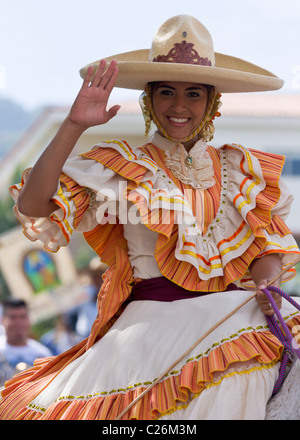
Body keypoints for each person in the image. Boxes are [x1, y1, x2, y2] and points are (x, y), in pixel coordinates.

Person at [0, 14, 300, 420]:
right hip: (152, 327)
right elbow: (35, 207)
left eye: (194, 94)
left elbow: (264, 245)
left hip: (231, 311)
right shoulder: (122, 165)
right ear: (148, 99)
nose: (179, 106)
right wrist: (73, 125)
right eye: (166, 93)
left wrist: (267, 287)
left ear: (212, 101)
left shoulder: (240, 168)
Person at [0, 299, 52, 385]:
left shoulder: (43, 354)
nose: (18, 322)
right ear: (3, 320)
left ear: (29, 319)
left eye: (23, 317)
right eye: (13, 317)